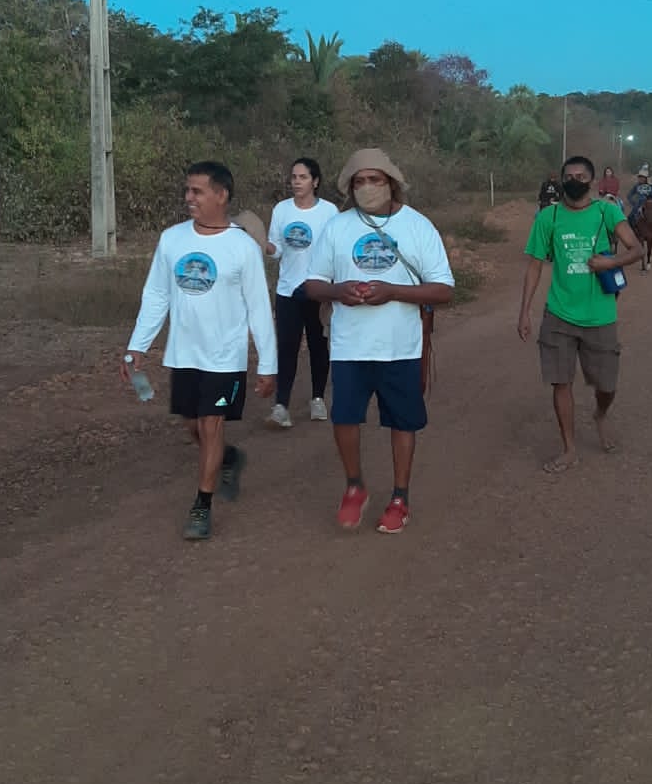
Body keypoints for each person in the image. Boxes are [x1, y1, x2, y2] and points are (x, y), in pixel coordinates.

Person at [122, 160, 277, 542]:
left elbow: (259, 307)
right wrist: (137, 346)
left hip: (225, 357)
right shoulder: (172, 239)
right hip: (184, 354)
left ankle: (202, 506)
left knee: (211, 424)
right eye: (187, 190)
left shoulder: (242, 247)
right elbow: (156, 294)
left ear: (221, 196)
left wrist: (268, 365)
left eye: (197, 191)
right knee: (194, 426)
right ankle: (226, 458)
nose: (188, 197)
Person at [304, 147, 454, 534]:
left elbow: (443, 290)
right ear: (349, 188)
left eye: (375, 180)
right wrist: (339, 292)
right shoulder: (337, 227)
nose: (367, 187)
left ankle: (400, 496)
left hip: (401, 347)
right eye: (359, 181)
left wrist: (394, 291)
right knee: (344, 418)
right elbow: (313, 283)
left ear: (392, 183)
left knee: (402, 422)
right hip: (349, 346)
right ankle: (354, 486)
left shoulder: (418, 227)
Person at [517, 155, 643, 472]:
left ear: (592, 180)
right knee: (561, 382)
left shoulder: (607, 210)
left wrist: (610, 263)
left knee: (607, 385)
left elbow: (636, 248)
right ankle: (569, 448)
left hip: (600, 315)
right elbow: (534, 265)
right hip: (558, 314)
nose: (574, 180)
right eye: (568, 175)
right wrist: (524, 311)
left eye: (581, 175)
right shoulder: (549, 216)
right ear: (560, 181)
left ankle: (600, 414)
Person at [265, 156, 338, 428]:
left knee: (319, 346)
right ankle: (281, 406)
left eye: (302, 177)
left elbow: (336, 250)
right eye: (294, 177)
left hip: (318, 290)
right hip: (287, 290)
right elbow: (277, 249)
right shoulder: (281, 210)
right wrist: (264, 245)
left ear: (315, 181)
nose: (296, 182)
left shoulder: (330, 212)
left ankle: (318, 398)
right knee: (287, 347)